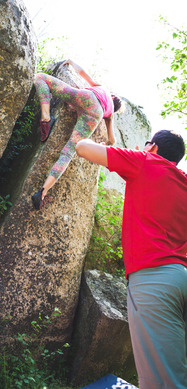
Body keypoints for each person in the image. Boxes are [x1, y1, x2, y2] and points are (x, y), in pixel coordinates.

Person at [75, 129, 187, 389]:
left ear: (154, 147)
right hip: (181, 275)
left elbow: (83, 148)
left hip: (154, 283)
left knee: (163, 381)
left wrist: (141, 153)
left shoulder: (145, 160)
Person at [31, 59, 122, 210]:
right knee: (68, 152)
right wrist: (106, 144)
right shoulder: (110, 113)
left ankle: (46, 118)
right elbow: (112, 140)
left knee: (40, 77)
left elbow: (83, 74)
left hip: (86, 97)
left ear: (112, 97)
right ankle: (42, 192)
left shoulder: (102, 88)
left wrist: (72, 63)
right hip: (95, 115)